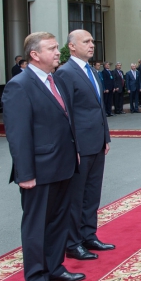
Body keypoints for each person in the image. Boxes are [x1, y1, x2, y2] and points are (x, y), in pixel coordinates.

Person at [1, 32, 84, 281]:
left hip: (63, 164)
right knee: (37, 224)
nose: (57, 52)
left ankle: (55, 266)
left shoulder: (56, 80)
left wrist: (76, 153)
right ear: (34, 55)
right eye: (51, 48)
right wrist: (24, 173)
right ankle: (37, 276)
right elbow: (18, 135)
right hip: (38, 170)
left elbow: (66, 121)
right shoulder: (19, 85)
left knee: (59, 219)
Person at [55, 30, 114, 261]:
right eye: (86, 41)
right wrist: (73, 146)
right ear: (71, 46)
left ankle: (89, 234)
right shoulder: (65, 73)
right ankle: (73, 242)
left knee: (92, 194)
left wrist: (105, 137)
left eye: (92, 41)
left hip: (97, 143)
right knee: (75, 197)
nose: (92, 45)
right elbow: (65, 113)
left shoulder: (92, 71)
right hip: (79, 145)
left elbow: (99, 108)